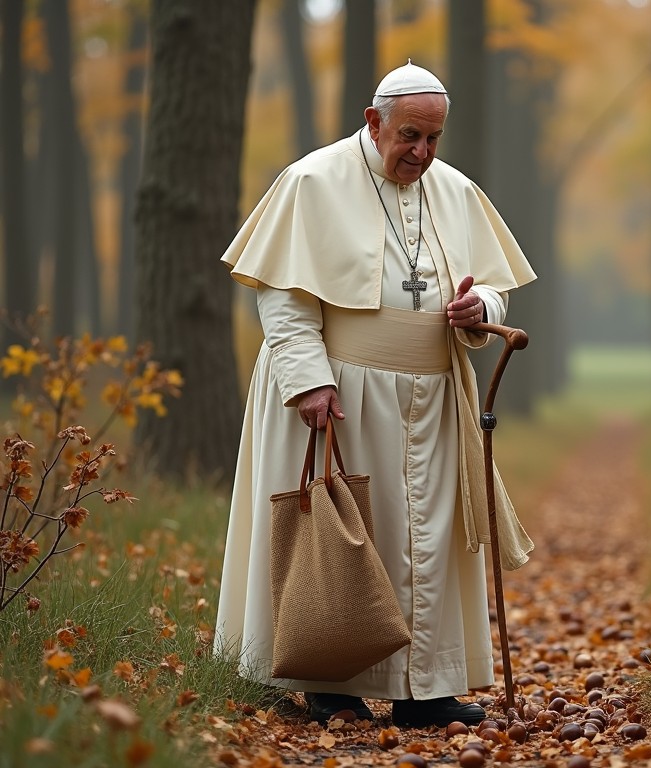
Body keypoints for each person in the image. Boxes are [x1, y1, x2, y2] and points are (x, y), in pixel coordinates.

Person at [214, 61, 536, 729]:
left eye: (434, 140)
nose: (421, 153)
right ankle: (331, 678)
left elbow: (494, 285)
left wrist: (481, 306)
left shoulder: (456, 190)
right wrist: (306, 379)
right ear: (374, 122)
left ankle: (428, 688)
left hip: (434, 397)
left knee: (428, 540)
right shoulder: (312, 182)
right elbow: (284, 295)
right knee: (351, 535)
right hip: (342, 390)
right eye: (410, 136)